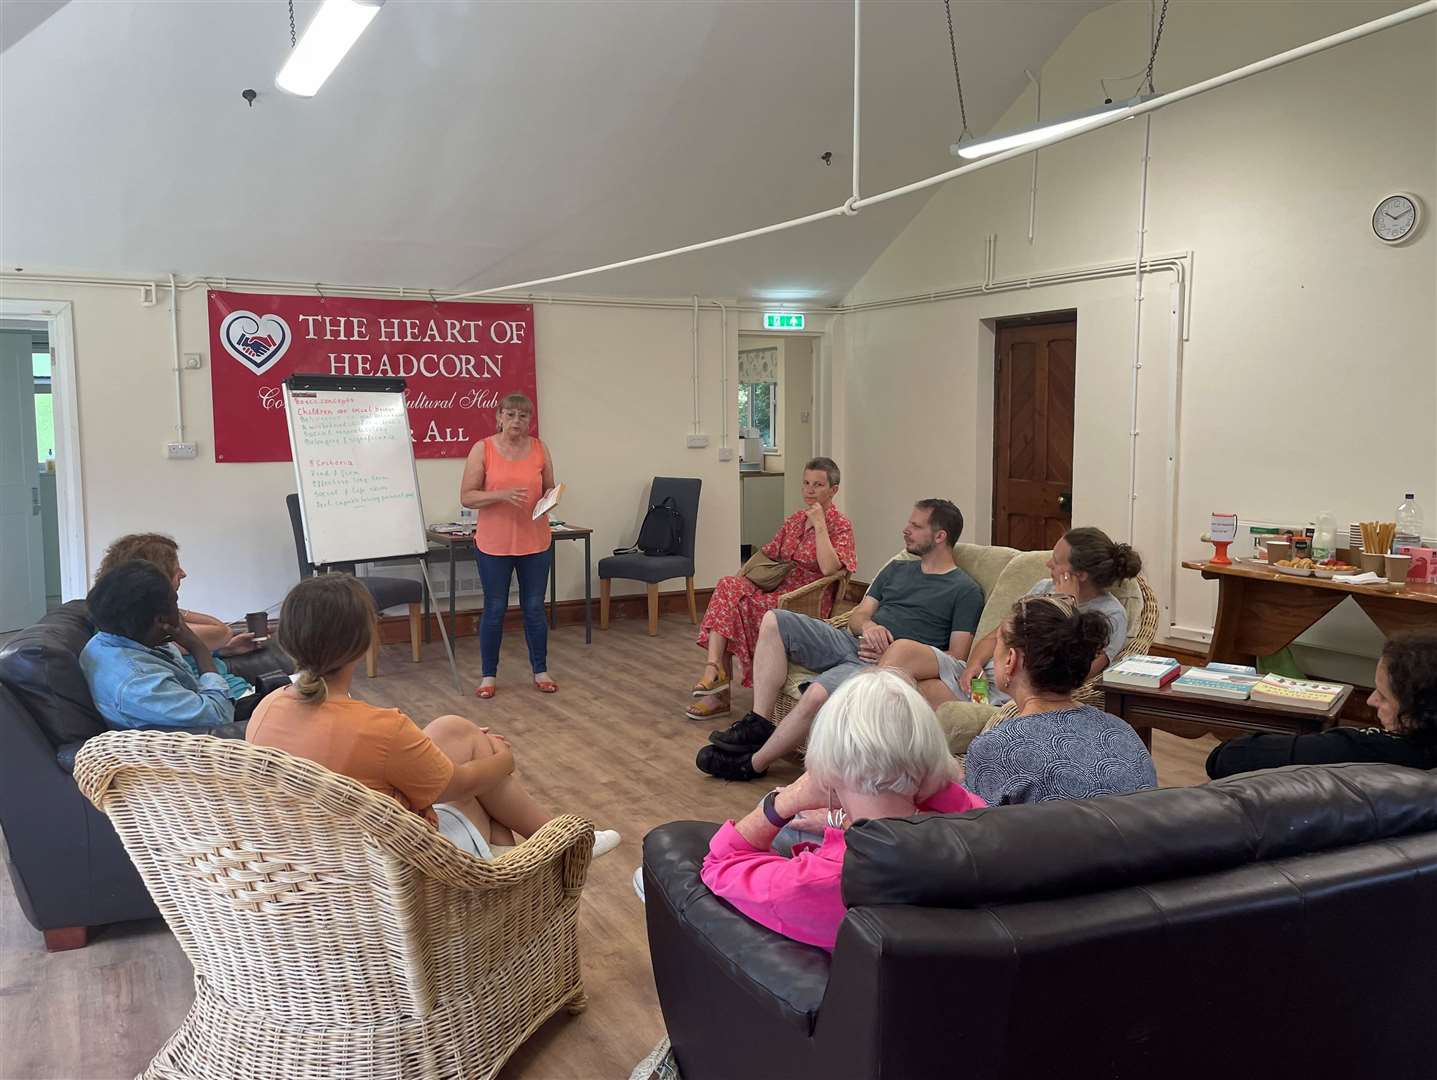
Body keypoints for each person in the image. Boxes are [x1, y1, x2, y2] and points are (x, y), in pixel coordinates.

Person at [246, 574, 620, 859]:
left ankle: (548, 843)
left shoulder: (268, 708)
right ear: (365, 642)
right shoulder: (379, 728)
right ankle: (549, 849)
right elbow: (455, 785)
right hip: (403, 862)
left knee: (453, 728)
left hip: (327, 854)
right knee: (481, 791)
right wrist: (503, 759)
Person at [697, 669, 985, 950]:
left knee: (779, 819)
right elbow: (953, 798)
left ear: (826, 763)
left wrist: (785, 802)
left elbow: (718, 863)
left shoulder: (822, 880)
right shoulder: (982, 824)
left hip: (861, 980)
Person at [697, 499, 983, 781]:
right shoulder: (897, 569)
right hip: (849, 641)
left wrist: (898, 655)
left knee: (817, 695)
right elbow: (858, 616)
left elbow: (955, 656)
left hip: (878, 666)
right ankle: (758, 723)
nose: (905, 529)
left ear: (940, 536)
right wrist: (869, 627)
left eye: (915, 525)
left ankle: (753, 765)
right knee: (774, 619)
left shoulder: (964, 590)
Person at [688, 457, 857, 722]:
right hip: (779, 587)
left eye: (818, 485)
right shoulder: (795, 521)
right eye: (806, 483)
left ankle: (720, 694)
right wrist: (736, 583)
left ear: (833, 490)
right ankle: (713, 670)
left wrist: (821, 525)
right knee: (727, 589)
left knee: (740, 606)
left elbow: (829, 570)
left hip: (807, 597)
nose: (809, 490)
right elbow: (767, 553)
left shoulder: (840, 525)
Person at [900, 527, 1141, 709]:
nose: (1048, 564)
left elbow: (1073, 674)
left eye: (1056, 562)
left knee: (915, 695)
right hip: (982, 676)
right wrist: (973, 665)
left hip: (1010, 691)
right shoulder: (1043, 586)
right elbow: (997, 635)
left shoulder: (1110, 616)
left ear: (1080, 575)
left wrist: (1067, 606)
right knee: (903, 652)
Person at [963, 594, 1157, 805]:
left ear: (1011, 660)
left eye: (997, 644)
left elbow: (975, 830)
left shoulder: (995, 747)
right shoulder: (1124, 732)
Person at [1206, 630, 1437, 777]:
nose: (1370, 700)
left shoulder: (1358, 749)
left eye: (1384, 696)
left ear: (1418, 711)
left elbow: (1225, 758)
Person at [459, 392, 558, 699]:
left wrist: (550, 500)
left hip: (535, 541)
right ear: (499, 417)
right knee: (495, 608)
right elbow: (467, 496)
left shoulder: (540, 448)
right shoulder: (483, 449)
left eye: (524, 416)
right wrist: (500, 495)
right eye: (511, 414)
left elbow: (549, 489)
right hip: (494, 544)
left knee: (533, 608)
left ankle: (540, 670)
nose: (517, 421)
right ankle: (488, 675)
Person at [79, 560, 240, 730]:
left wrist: (223, 650)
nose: (179, 613)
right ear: (161, 620)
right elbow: (221, 717)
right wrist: (198, 648)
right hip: (197, 748)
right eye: (175, 603)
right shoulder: (138, 683)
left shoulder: (123, 638)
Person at [95, 533, 262, 657]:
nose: (183, 574)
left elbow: (182, 654)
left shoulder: (130, 622)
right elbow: (222, 631)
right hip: (230, 698)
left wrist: (226, 650)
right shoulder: (150, 627)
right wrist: (167, 605)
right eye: (176, 570)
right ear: (156, 575)